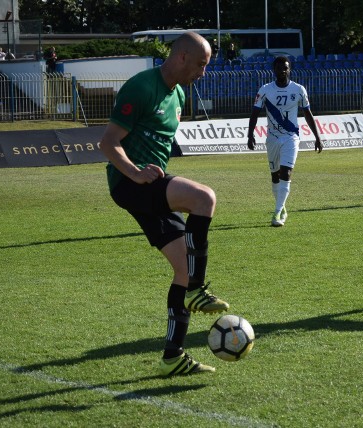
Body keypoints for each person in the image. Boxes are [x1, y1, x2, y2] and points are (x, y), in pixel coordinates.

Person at [99, 31, 229, 377]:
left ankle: (173, 357)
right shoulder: (142, 86)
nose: (203, 72)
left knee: (182, 269)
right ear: (182, 57)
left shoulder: (180, 95)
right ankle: (197, 290)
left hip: (149, 186)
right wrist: (134, 172)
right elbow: (108, 142)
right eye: (201, 64)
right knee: (204, 197)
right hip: (130, 184)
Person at [247, 56, 323, 227]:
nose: (282, 71)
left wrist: (317, 137)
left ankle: (278, 211)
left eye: (285, 68)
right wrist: (250, 134)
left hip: (291, 137)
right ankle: (282, 206)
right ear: (273, 70)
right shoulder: (265, 90)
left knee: (286, 172)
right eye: (279, 68)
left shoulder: (299, 89)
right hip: (272, 138)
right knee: (275, 176)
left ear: (290, 70)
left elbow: (307, 113)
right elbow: (255, 113)